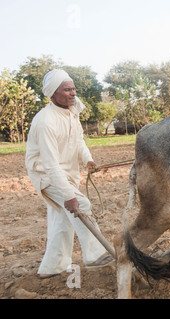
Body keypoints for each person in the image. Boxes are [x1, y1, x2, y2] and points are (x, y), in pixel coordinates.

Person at [25, 69, 113, 279]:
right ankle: (94, 255)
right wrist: (68, 195)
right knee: (81, 205)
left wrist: (88, 159)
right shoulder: (45, 121)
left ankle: (52, 267)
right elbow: (50, 164)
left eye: (73, 89)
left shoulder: (72, 111)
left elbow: (78, 140)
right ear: (53, 93)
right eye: (67, 89)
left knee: (61, 221)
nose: (73, 93)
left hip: (66, 172)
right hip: (46, 174)